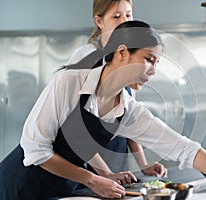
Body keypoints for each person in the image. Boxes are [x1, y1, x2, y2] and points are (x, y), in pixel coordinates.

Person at [0, 20, 206, 200]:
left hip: (64, 188)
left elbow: (182, 147)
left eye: (157, 64)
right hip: (21, 184)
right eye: (149, 59)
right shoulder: (69, 82)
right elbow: (35, 149)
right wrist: (92, 179)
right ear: (122, 52)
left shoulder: (127, 110)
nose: (153, 71)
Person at [67, 0, 167, 178]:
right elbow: (75, 128)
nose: (124, 21)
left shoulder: (131, 58)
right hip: (88, 160)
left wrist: (142, 163)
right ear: (99, 21)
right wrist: (104, 174)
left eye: (128, 15)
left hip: (116, 157)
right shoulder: (85, 58)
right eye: (116, 16)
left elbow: (129, 115)